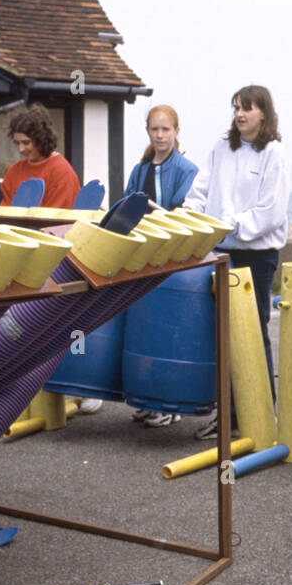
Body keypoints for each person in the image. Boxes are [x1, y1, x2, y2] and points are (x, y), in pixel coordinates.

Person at [185, 85, 290, 440]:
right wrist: (192, 219)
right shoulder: (220, 147)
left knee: (255, 332)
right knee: (222, 333)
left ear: (264, 113)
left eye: (247, 108)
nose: (240, 114)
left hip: (256, 256)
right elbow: (199, 192)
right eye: (236, 108)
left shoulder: (274, 154)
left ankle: (262, 413)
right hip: (219, 252)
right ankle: (228, 415)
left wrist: (228, 226)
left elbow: (271, 213)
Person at [120, 105, 201, 428]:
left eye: (166, 129)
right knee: (145, 330)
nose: (160, 135)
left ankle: (170, 403)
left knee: (169, 331)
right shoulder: (138, 170)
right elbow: (126, 209)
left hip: (173, 262)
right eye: (154, 129)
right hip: (143, 260)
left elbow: (184, 212)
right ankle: (148, 398)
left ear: (177, 131)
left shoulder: (188, 169)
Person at [0, 103, 81, 208]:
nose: (20, 149)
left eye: (26, 143)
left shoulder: (61, 171)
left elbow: (57, 218)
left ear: (41, 139)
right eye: (17, 143)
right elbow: (4, 212)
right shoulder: (14, 170)